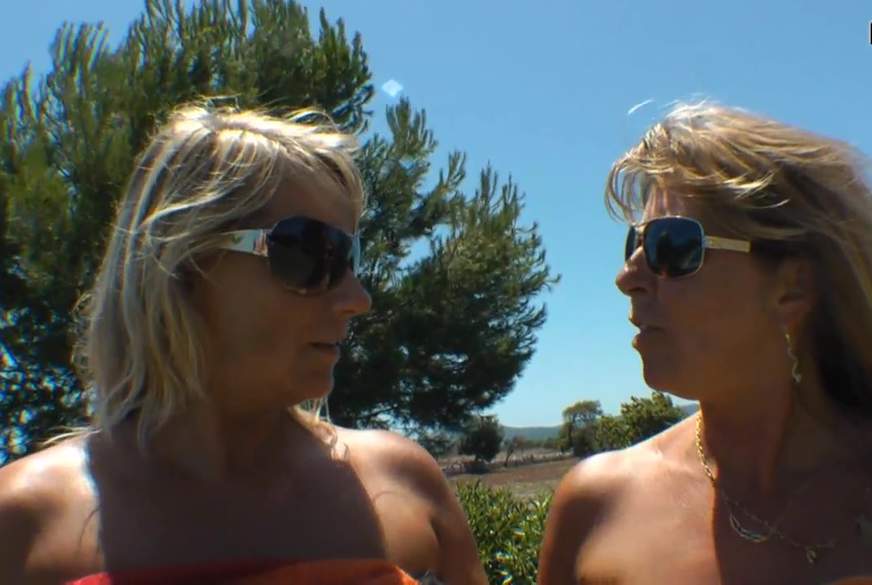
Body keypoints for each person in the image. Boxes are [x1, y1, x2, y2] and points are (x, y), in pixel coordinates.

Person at [0, 103, 486, 585]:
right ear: (183, 264)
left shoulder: (406, 483)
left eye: (350, 257)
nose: (358, 299)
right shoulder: (21, 521)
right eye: (311, 253)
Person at [538, 103, 872, 584]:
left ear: (791, 288)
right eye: (633, 244)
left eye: (670, 246)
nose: (627, 277)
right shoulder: (596, 505)